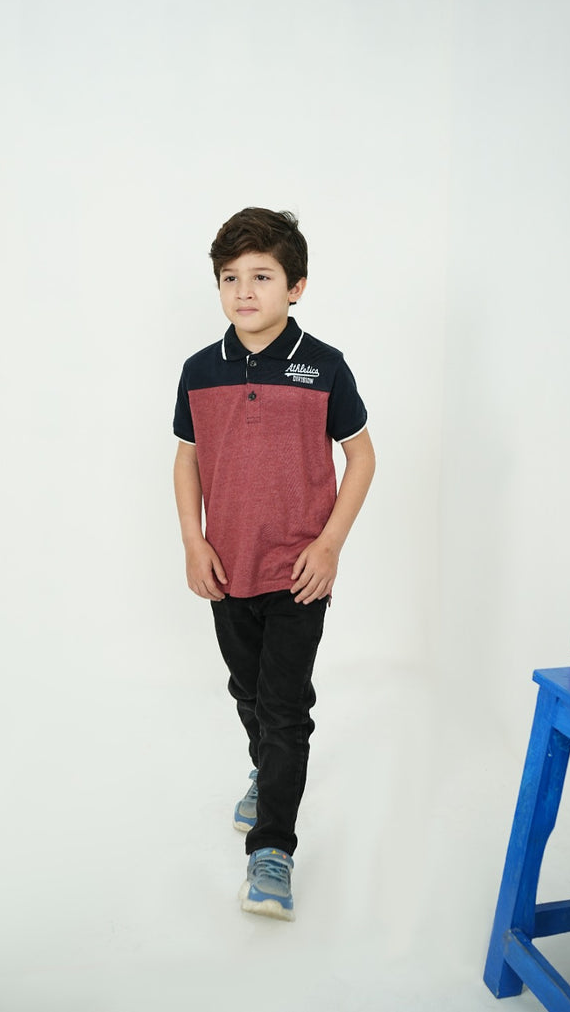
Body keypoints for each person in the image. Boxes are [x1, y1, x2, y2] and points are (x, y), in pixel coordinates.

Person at [173, 208, 375, 921]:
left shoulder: (325, 366)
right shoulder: (199, 370)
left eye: (261, 276)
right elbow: (187, 460)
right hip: (226, 569)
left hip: (299, 573)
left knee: (286, 709)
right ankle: (267, 768)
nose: (244, 291)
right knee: (248, 690)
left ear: (296, 287)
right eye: (230, 278)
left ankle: (272, 852)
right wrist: (194, 542)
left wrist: (330, 544)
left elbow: (361, 457)